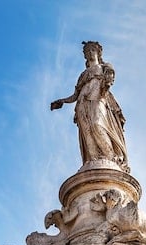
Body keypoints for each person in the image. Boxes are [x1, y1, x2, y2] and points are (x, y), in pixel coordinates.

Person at [50, 41, 128, 170]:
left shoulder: (104, 67)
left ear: (98, 52)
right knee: (87, 131)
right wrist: (62, 101)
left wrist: (108, 81)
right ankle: (92, 160)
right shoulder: (83, 75)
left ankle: (110, 158)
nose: (90, 53)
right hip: (82, 104)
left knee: (97, 125)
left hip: (97, 99)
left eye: (92, 50)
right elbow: (75, 95)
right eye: (87, 52)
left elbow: (110, 76)